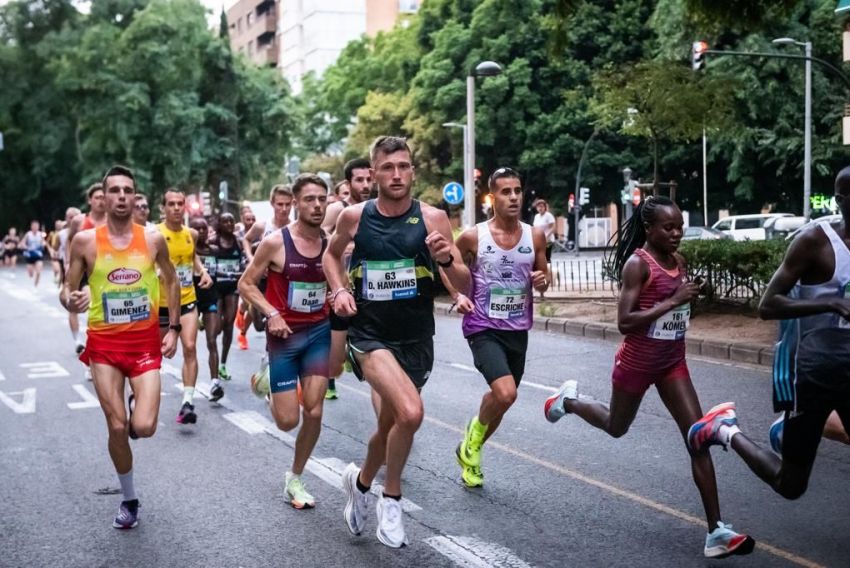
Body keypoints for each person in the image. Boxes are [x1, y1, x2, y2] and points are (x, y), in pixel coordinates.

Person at [544, 195, 754, 559]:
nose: (676, 234)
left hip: (673, 362)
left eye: (679, 227)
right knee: (615, 426)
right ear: (649, 229)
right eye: (668, 228)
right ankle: (568, 401)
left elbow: (676, 309)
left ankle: (716, 531)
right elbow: (625, 322)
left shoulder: (679, 262)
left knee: (698, 437)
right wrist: (673, 301)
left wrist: (688, 298)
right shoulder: (636, 266)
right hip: (637, 364)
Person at [325, 136, 470, 548]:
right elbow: (331, 257)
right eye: (387, 167)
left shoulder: (433, 219)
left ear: (412, 171)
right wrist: (338, 291)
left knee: (390, 424)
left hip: (417, 339)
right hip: (369, 335)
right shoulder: (354, 217)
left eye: (403, 166)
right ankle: (392, 499)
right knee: (410, 413)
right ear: (373, 173)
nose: (396, 175)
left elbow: (463, 281)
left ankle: (360, 482)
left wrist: (445, 258)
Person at [689, 166, 850, 504]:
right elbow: (768, 304)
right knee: (791, 485)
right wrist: (830, 302)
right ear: (840, 200)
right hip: (814, 373)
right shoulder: (816, 242)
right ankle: (726, 431)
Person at [61, 164, 180, 530]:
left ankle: (134, 414)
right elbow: (66, 288)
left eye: (128, 190)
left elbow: (172, 281)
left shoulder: (154, 239)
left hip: (144, 345)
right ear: (105, 196)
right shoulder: (85, 241)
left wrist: (173, 327)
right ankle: (129, 499)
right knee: (116, 427)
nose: (122, 196)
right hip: (104, 347)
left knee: (143, 427)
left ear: (135, 195)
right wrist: (71, 301)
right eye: (115, 190)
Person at [448, 167, 549, 488]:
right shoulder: (473, 236)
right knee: (506, 392)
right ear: (492, 198)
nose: (514, 197)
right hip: (482, 327)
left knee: (502, 400)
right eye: (506, 192)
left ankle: (471, 448)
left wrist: (543, 280)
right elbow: (445, 264)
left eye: (518, 191)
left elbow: (545, 281)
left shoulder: (535, 236)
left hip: (517, 329)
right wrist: (456, 295)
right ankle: (473, 442)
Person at [238, 173, 331, 509]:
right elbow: (246, 284)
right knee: (287, 420)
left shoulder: (330, 243)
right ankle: (267, 386)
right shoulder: (276, 242)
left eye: (322, 198)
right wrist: (270, 312)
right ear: (295, 203)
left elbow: (339, 282)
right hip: (284, 337)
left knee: (316, 409)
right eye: (310, 199)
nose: (317, 205)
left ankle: (295, 476)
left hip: (319, 332)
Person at [157, 189, 213, 425]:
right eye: (172, 204)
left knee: (190, 347)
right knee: (154, 355)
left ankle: (187, 402)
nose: (177, 208)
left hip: (188, 300)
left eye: (181, 203)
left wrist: (203, 271)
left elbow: (193, 258)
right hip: (160, 305)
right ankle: (138, 395)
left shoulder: (191, 234)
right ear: (163, 208)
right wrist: (155, 272)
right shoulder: (154, 234)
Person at [322, 157, 373, 401]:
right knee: (336, 363)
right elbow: (317, 241)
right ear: (348, 182)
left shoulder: (377, 207)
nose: (365, 185)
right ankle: (335, 366)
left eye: (368, 179)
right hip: (340, 290)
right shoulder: (337, 209)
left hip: (370, 290)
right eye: (359, 180)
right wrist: (343, 246)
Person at [190, 217, 223, 402]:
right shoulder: (187, 252)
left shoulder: (215, 251)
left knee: (212, 340)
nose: (201, 231)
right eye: (197, 228)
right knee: (190, 344)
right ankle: (190, 384)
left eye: (204, 228)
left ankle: (215, 382)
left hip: (210, 298)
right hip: (191, 300)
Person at [211, 213, 244, 382]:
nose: (229, 223)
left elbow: (244, 261)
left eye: (232, 220)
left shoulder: (238, 242)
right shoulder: (213, 242)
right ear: (220, 224)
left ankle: (222, 364)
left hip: (232, 287)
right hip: (216, 287)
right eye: (225, 221)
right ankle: (214, 361)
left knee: (229, 323)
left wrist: (241, 271)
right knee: (216, 328)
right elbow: (207, 264)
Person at [57, 207, 83, 353]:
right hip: (69, 273)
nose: (71, 219)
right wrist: (66, 263)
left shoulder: (87, 228)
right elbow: (57, 250)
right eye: (68, 216)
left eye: (74, 216)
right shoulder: (62, 234)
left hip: (87, 273)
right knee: (72, 306)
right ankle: (77, 340)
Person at [22, 220, 46, 287]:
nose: (35, 227)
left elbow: (43, 242)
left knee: (38, 271)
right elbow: (23, 243)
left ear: (38, 227)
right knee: (31, 274)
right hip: (30, 255)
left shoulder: (40, 234)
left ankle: (36, 285)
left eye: (37, 226)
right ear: (31, 226)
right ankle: (31, 274)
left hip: (38, 255)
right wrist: (25, 247)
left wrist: (43, 244)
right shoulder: (28, 234)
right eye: (34, 226)